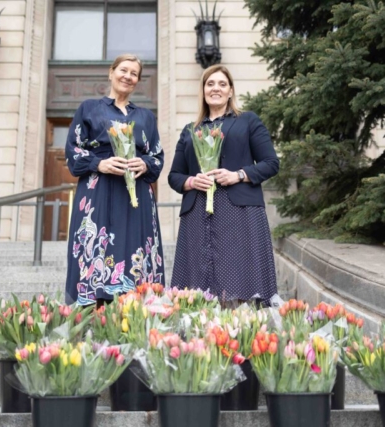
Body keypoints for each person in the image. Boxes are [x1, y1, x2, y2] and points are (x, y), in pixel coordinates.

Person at [168, 64, 279, 305]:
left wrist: (238, 175)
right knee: (197, 290)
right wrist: (191, 181)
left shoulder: (247, 121)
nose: (215, 88)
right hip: (198, 213)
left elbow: (271, 163)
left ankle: (240, 331)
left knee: (240, 285)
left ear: (230, 91)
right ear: (203, 91)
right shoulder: (190, 131)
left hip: (239, 213)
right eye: (210, 84)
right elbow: (174, 176)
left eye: (222, 84)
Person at [65, 54, 165, 306]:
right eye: (123, 70)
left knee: (136, 250)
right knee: (96, 249)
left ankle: (137, 309)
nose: (128, 76)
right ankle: (91, 311)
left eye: (134, 73)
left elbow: (157, 156)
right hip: (98, 193)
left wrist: (145, 163)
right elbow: (72, 151)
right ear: (111, 73)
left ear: (138, 81)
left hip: (137, 197)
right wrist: (99, 163)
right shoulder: (88, 108)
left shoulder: (146, 117)